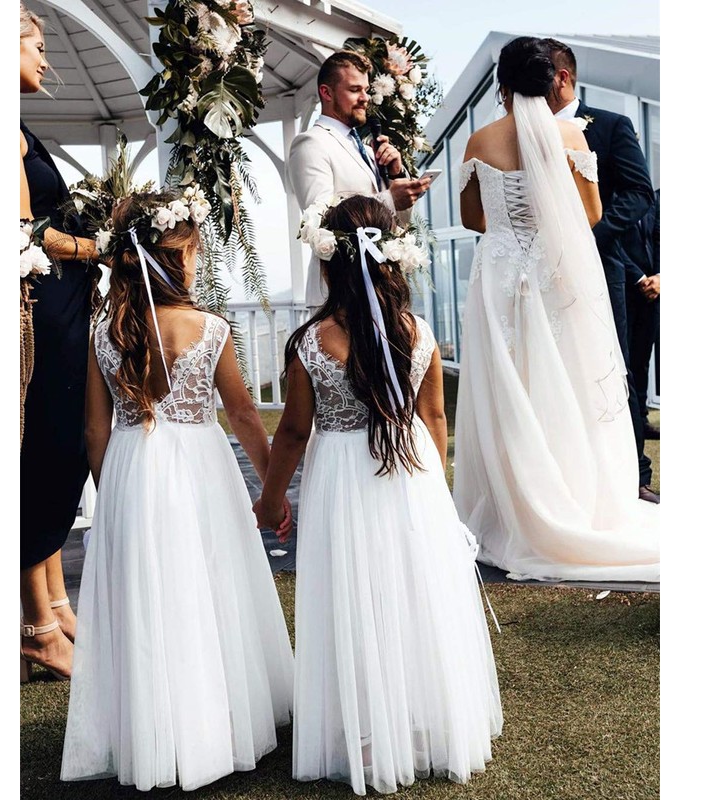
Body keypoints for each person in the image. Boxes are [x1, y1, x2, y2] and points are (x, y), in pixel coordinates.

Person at [254, 195, 502, 796]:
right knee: (412, 593)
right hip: (411, 475)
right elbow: (434, 417)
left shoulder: (311, 342)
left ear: (329, 263)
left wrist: (271, 500)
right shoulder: (418, 332)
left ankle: (367, 732)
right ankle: (420, 723)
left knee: (354, 594)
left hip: (344, 483)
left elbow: (293, 431)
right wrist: (435, 496)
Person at [60, 188, 295, 791]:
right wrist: (272, 487)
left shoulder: (105, 331)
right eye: (193, 252)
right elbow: (242, 413)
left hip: (131, 466)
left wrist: (113, 492)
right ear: (175, 259)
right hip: (199, 466)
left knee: (150, 596)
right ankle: (216, 721)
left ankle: (155, 730)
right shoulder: (210, 328)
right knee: (210, 583)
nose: (197, 262)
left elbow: (94, 430)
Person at [452, 36, 659, 583]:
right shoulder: (570, 136)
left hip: (500, 272)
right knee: (568, 379)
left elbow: (473, 219)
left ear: (502, 85)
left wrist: (511, 228)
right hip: (555, 270)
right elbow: (589, 213)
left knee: (507, 382)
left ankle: (510, 506)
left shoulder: (479, 140)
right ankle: (575, 496)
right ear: (551, 82)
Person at [20, 2, 102, 682]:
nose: (47, 59)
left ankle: (55, 602)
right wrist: (95, 246)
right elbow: (18, 232)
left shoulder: (17, 128)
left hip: (64, 305)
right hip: (40, 311)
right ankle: (38, 628)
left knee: (58, 450)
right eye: (36, 46)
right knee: (43, 451)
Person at [544, 37, 658, 503]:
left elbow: (638, 193)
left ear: (562, 78)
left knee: (619, 373)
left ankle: (634, 476)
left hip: (613, 272)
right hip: (549, 274)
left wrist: (589, 236)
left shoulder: (610, 126)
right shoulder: (521, 134)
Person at [287, 50, 431, 307]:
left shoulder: (365, 148)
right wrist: (389, 199)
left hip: (382, 287)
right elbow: (322, 221)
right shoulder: (311, 143)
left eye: (366, 90)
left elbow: (399, 222)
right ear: (326, 93)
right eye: (355, 90)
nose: (365, 98)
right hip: (339, 292)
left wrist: (396, 175)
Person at [622, 189, 660, 439]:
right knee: (625, 361)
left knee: (642, 358)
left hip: (653, 292)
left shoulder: (653, 198)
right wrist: (639, 278)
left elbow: (659, 239)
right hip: (624, 286)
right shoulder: (612, 193)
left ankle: (641, 417)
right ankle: (628, 423)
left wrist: (659, 277)